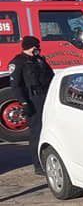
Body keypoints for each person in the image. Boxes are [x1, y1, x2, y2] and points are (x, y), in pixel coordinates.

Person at [9, 36, 54, 175]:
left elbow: (51, 76)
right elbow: (16, 86)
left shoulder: (40, 60)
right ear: (30, 47)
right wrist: (24, 103)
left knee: (50, 129)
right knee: (36, 132)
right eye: (36, 46)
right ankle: (38, 165)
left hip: (46, 97)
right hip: (32, 100)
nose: (38, 49)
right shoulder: (18, 62)